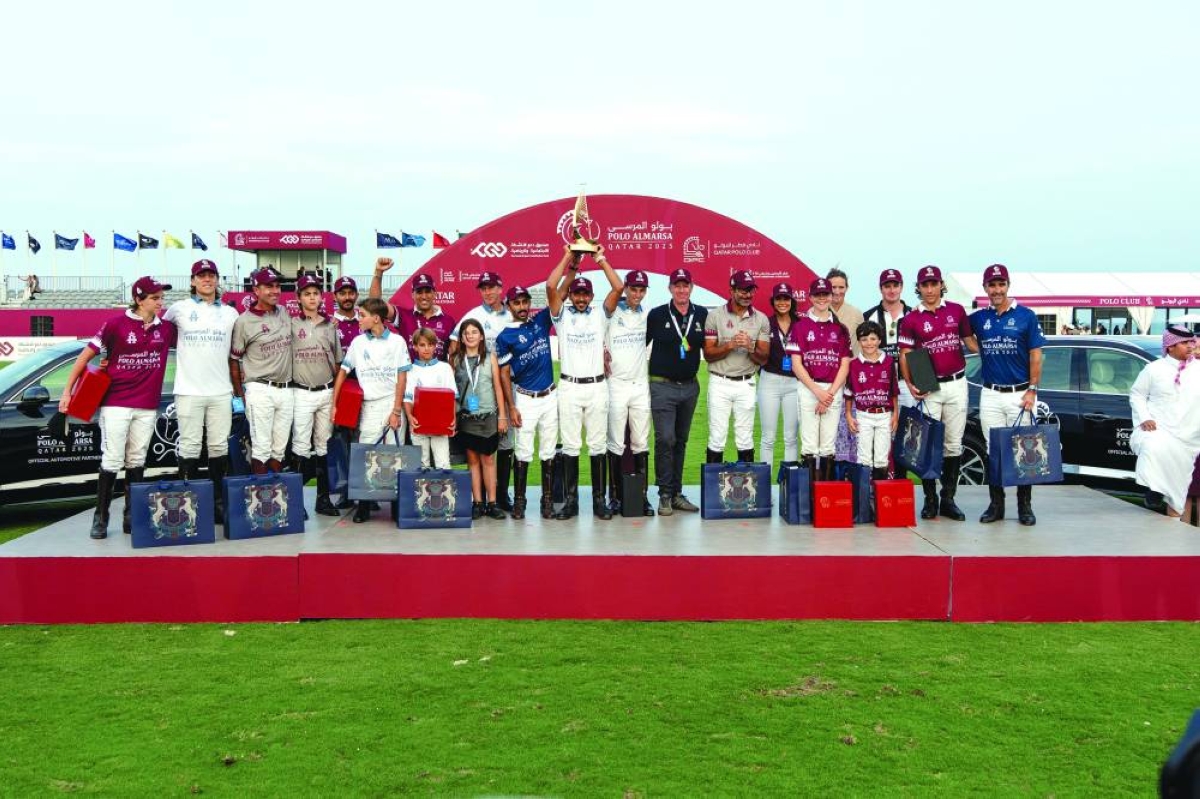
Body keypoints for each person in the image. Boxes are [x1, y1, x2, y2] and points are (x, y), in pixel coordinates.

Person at [60, 277, 176, 539]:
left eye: (161, 297)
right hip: (116, 403)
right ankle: (100, 517)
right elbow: (85, 357)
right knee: (112, 458)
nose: (161, 302)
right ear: (138, 299)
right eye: (155, 298)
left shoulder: (166, 328)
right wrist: (67, 391)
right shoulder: (115, 324)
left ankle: (131, 516)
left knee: (137, 460)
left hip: (146, 405)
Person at [898, 265, 979, 520]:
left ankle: (948, 499)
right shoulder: (911, 318)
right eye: (925, 285)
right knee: (928, 444)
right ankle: (930, 500)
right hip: (929, 385)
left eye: (934, 284)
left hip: (956, 383)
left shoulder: (955, 310)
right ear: (919, 288)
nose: (930, 289)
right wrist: (910, 383)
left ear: (940, 285)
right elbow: (905, 354)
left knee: (953, 443)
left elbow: (971, 343)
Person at [968, 264, 1046, 525]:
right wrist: (983, 351)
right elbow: (965, 337)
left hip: (1020, 393)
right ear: (985, 288)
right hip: (990, 394)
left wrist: (1032, 389)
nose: (996, 289)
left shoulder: (1026, 316)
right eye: (992, 285)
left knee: (1025, 451)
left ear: (1008, 285)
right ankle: (996, 505)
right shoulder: (979, 318)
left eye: (1001, 284)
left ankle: (1025, 507)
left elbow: (1036, 354)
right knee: (994, 452)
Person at [163, 259, 240, 522]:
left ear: (217, 280)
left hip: (220, 391)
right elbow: (158, 331)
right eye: (201, 276)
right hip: (188, 390)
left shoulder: (230, 313)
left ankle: (217, 504)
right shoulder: (178, 309)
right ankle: (186, 504)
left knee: (219, 447)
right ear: (193, 281)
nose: (207, 280)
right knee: (190, 447)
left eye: (211, 276)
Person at [548, 246, 620, 521]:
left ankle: (599, 502)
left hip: (596, 387)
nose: (580, 298)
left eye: (584, 294)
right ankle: (570, 502)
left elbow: (617, 287)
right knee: (569, 447)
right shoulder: (562, 315)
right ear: (572, 295)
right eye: (576, 294)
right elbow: (550, 286)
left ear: (590, 296)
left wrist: (600, 258)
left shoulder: (600, 313)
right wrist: (568, 256)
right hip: (569, 386)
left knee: (598, 445)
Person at [333, 297, 412, 523]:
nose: (359, 319)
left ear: (376, 318)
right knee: (366, 454)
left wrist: (396, 411)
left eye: (363, 315)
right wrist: (333, 403)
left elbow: (402, 377)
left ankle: (396, 505)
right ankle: (364, 505)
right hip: (369, 405)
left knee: (393, 455)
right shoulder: (358, 343)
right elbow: (343, 371)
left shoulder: (397, 342)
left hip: (391, 402)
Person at [450, 271, 515, 513]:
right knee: (474, 458)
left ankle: (499, 497)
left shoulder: (510, 315)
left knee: (504, 444)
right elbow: (454, 348)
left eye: (491, 287)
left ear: (500, 288)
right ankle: (480, 501)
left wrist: (503, 411)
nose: (487, 292)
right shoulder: (472, 316)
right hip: (471, 403)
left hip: (505, 388)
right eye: (483, 288)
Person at [646, 268, 707, 515]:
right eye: (677, 285)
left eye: (686, 285)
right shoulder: (658, 314)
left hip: (690, 387)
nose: (681, 290)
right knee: (665, 439)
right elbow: (638, 345)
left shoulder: (701, 314)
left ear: (691, 287)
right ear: (670, 288)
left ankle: (677, 493)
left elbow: (711, 346)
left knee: (680, 441)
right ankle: (664, 494)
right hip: (662, 386)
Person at [496, 283, 558, 521]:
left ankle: (548, 500)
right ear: (508, 305)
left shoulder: (541, 320)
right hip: (524, 398)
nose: (522, 307)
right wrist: (511, 406)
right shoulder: (505, 336)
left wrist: (572, 265)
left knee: (549, 450)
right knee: (523, 451)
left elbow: (558, 293)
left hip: (550, 395)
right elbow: (503, 373)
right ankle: (520, 501)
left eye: (525, 301)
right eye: (516, 303)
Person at [1129, 326, 1200, 519]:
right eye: (1184, 343)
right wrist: (1145, 417)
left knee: (1179, 489)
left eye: (1191, 342)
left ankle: (1175, 531)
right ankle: (1155, 487)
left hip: (1190, 437)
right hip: (1160, 429)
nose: (1189, 346)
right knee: (1152, 445)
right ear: (1170, 347)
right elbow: (1137, 395)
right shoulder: (1153, 369)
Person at [229, 267, 294, 474]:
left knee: (279, 450)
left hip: (286, 389)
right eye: (268, 286)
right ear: (256, 290)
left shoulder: (283, 312)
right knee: (261, 449)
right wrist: (240, 394)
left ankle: (277, 498)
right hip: (259, 388)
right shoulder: (244, 321)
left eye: (277, 286)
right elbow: (234, 360)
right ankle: (260, 501)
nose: (275, 291)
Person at [786, 277, 852, 479]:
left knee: (827, 444)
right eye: (818, 295)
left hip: (833, 389)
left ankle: (826, 498)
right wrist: (817, 391)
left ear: (832, 297)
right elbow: (796, 365)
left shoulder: (840, 329)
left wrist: (829, 394)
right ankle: (809, 499)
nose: (822, 299)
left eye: (826, 295)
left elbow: (845, 364)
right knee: (809, 444)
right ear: (810, 297)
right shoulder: (800, 326)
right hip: (808, 388)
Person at [602, 266, 654, 516]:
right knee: (615, 442)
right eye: (634, 288)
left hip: (640, 385)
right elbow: (613, 296)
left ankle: (641, 497)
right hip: (616, 384)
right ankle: (615, 497)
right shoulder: (612, 312)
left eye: (642, 290)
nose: (638, 294)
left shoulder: (647, 315)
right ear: (626, 288)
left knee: (641, 442)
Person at [290, 274, 343, 517]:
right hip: (301, 391)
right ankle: (295, 502)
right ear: (299, 298)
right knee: (301, 446)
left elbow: (337, 360)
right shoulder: (291, 324)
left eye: (315, 293)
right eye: (307, 294)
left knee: (323, 445)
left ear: (322, 297)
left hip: (326, 391)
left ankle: (323, 499)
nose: (312, 297)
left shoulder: (330, 325)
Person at [704, 270, 769, 464]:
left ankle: (746, 491)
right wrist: (730, 345)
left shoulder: (761, 319)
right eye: (742, 290)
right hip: (719, 381)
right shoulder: (715, 315)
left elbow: (763, 358)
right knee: (717, 437)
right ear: (732, 290)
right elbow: (708, 354)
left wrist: (750, 348)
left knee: (745, 437)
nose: (747, 295)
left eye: (751, 290)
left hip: (746, 383)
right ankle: (714, 491)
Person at [450, 318, 508, 519]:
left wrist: (502, 416)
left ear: (481, 336)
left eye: (474, 332)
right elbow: (452, 391)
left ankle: (492, 502)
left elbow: (497, 388)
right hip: (467, 417)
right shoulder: (456, 359)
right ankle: (477, 502)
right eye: (467, 333)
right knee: (472, 461)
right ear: (462, 338)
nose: (470, 336)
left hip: (489, 416)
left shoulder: (490, 358)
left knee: (489, 460)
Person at [369, 258, 457, 361]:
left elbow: (453, 355)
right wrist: (378, 273)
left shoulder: (448, 321)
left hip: (438, 376)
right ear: (413, 295)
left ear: (435, 294)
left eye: (427, 291)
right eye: (419, 292)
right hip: (410, 375)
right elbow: (375, 304)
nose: (424, 296)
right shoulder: (403, 316)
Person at [752, 283, 800, 466]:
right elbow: (757, 352)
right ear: (773, 301)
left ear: (791, 301)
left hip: (794, 383)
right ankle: (764, 487)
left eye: (786, 298)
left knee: (791, 437)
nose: (782, 302)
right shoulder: (766, 323)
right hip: (769, 381)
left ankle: (791, 486)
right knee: (768, 437)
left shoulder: (800, 325)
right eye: (779, 298)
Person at [844, 321, 899, 480]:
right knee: (864, 458)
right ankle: (864, 498)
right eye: (864, 339)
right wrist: (848, 414)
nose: (869, 343)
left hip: (884, 415)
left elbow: (893, 390)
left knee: (882, 458)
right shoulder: (853, 364)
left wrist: (895, 415)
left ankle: (879, 496)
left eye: (873, 339)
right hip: (863, 415)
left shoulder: (889, 362)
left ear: (880, 340)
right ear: (859, 341)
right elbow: (848, 392)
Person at [328, 275, 363, 509]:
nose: (347, 297)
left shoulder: (366, 320)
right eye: (343, 293)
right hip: (342, 387)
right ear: (335, 296)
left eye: (351, 293)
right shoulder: (330, 323)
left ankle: (366, 491)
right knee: (343, 441)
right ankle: (346, 490)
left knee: (365, 438)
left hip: (367, 386)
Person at [404, 328, 458, 469]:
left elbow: (452, 397)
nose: (426, 349)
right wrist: (410, 417)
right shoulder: (410, 370)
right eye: (422, 345)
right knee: (422, 465)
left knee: (443, 464)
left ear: (435, 346)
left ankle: (444, 491)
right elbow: (407, 399)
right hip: (418, 424)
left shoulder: (445, 368)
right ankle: (422, 492)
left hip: (440, 425)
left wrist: (453, 419)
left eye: (430, 344)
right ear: (415, 347)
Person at [863, 268, 915, 408]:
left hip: (908, 383)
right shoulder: (868, 316)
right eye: (887, 286)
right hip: (879, 383)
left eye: (895, 286)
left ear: (901, 287)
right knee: (883, 428)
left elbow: (922, 349)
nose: (892, 291)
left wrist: (923, 382)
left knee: (909, 428)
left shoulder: (914, 314)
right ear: (880, 288)